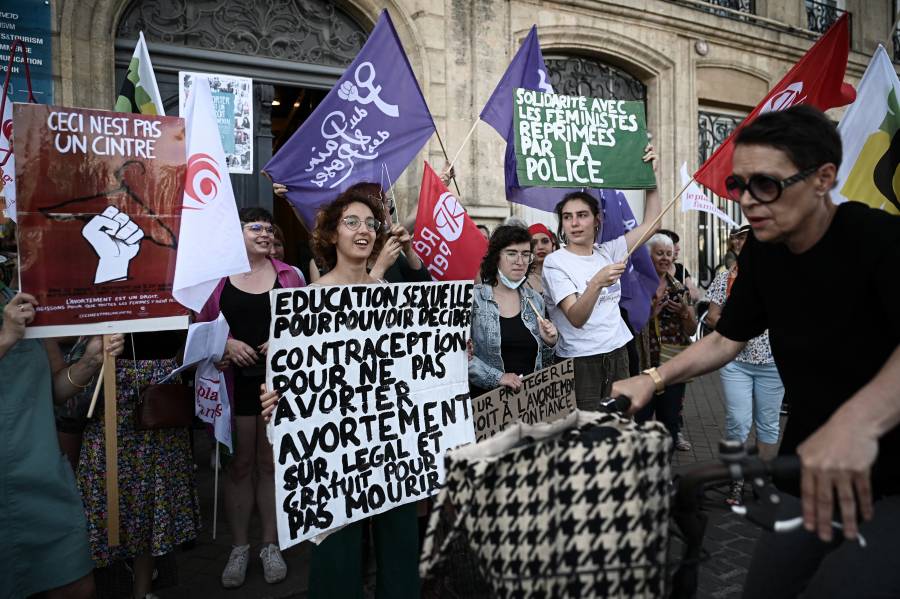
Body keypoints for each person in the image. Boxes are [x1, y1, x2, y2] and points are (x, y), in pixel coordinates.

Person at [612, 105, 900, 598]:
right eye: (738, 185)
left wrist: (857, 425)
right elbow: (727, 337)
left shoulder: (878, 239)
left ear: (823, 178)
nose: (747, 200)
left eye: (765, 184)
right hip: (807, 465)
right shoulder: (765, 253)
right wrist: (655, 379)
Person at [276, 182, 419, 598]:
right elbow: (292, 381)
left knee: (399, 549)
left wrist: (446, 350)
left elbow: (415, 368)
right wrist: (276, 400)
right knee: (336, 557)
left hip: (393, 444)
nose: (363, 229)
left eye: (371, 223)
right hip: (333, 454)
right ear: (331, 233)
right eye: (351, 221)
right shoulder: (307, 302)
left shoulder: (396, 298)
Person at [196, 207, 304, 588]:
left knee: (271, 464)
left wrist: (285, 341)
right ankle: (239, 547)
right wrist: (225, 342)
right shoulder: (215, 280)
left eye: (268, 228)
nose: (263, 233)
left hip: (278, 388)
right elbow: (196, 331)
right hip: (232, 386)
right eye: (254, 227)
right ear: (236, 232)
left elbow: (306, 328)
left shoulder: (291, 276)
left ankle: (270, 545)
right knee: (239, 466)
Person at [1, 291, 123, 599]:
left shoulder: (21, 298)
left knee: (78, 587)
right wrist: (6, 338)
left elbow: (55, 389)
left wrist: (91, 360)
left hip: (42, 475)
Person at [541, 144, 660, 407]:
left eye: (582, 215)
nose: (574, 223)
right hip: (581, 363)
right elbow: (576, 318)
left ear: (597, 219)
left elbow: (653, 224)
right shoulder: (554, 262)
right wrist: (597, 282)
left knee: (617, 430)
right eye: (567, 217)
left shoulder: (609, 250)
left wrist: (650, 179)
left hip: (618, 354)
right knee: (587, 437)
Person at [705, 233, 784, 504]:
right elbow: (713, 317)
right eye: (738, 240)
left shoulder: (778, 276)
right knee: (738, 422)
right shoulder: (724, 278)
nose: (742, 244)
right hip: (735, 362)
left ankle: (761, 479)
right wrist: (736, 325)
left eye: (748, 239)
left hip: (772, 363)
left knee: (768, 425)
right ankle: (735, 480)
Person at [469, 226, 558, 397]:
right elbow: (460, 358)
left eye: (525, 254)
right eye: (511, 253)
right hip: (488, 407)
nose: (520, 261)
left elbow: (545, 363)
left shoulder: (535, 300)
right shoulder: (474, 300)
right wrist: (498, 378)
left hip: (530, 402)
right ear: (496, 258)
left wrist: (550, 343)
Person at [637, 233, 696, 448]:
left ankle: (665, 474)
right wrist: (650, 313)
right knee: (641, 419)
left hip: (672, 361)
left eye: (669, 254)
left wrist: (684, 312)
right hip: (644, 362)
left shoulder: (679, 288)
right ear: (649, 256)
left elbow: (691, 329)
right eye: (659, 253)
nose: (665, 258)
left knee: (670, 421)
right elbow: (629, 326)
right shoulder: (638, 286)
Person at [657, 228, 701, 301]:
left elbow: (695, 294)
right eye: (674, 244)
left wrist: (684, 292)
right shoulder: (653, 269)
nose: (678, 248)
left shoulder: (680, 268)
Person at [526, 223, 555, 295]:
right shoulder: (522, 280)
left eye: (545, 241)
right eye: (534, 243)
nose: (540, 247)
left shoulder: (563, 273)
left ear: (553, 245)